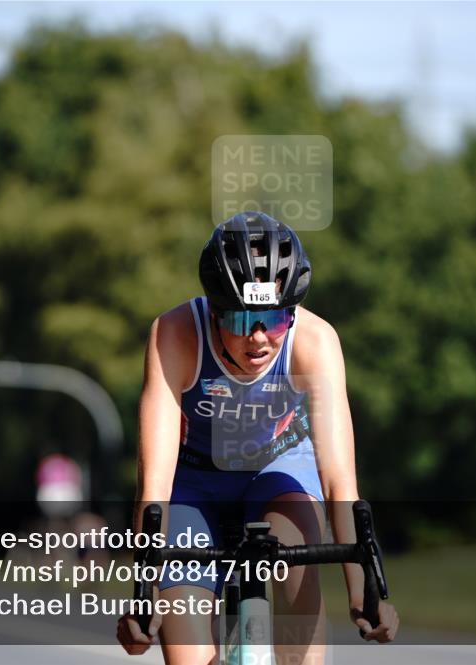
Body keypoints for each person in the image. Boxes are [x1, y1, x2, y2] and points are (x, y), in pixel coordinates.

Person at [117, 212, 398, 665]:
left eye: (273, 316)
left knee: (293, 552)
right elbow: (153, 487)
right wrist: (145, 595)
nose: (260, 336)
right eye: (241, 316)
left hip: (277, 468)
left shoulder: (315, 341)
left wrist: (363, 593)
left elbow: (338, 482)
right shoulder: (175, 334)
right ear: (213, 309)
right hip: (193, 482)